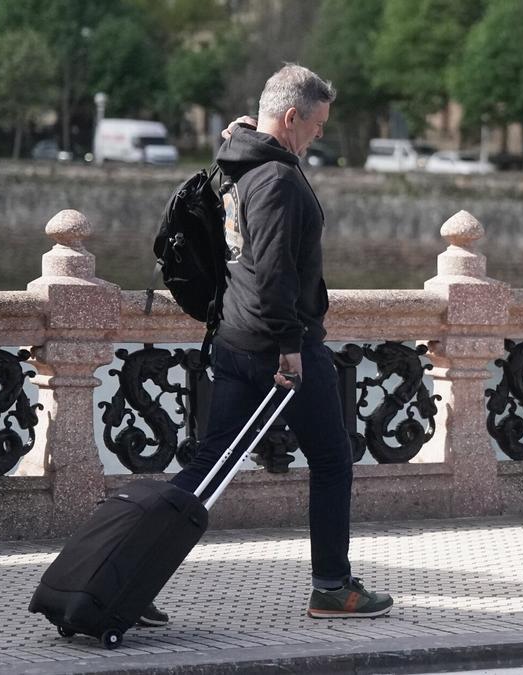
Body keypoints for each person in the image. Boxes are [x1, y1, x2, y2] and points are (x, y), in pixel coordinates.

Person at [138, 64, 393, 627]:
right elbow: (275, 270)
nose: (319, 136)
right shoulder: (276, 180)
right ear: (291, 116)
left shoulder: (239, 163)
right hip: (278, 346)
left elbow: (245, 248)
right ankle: (332, 587)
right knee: (331, 460)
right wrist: (290, 348)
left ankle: (129, 578)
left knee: (207, 470)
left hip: (232, 337)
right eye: (317, 124)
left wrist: (239, 135)